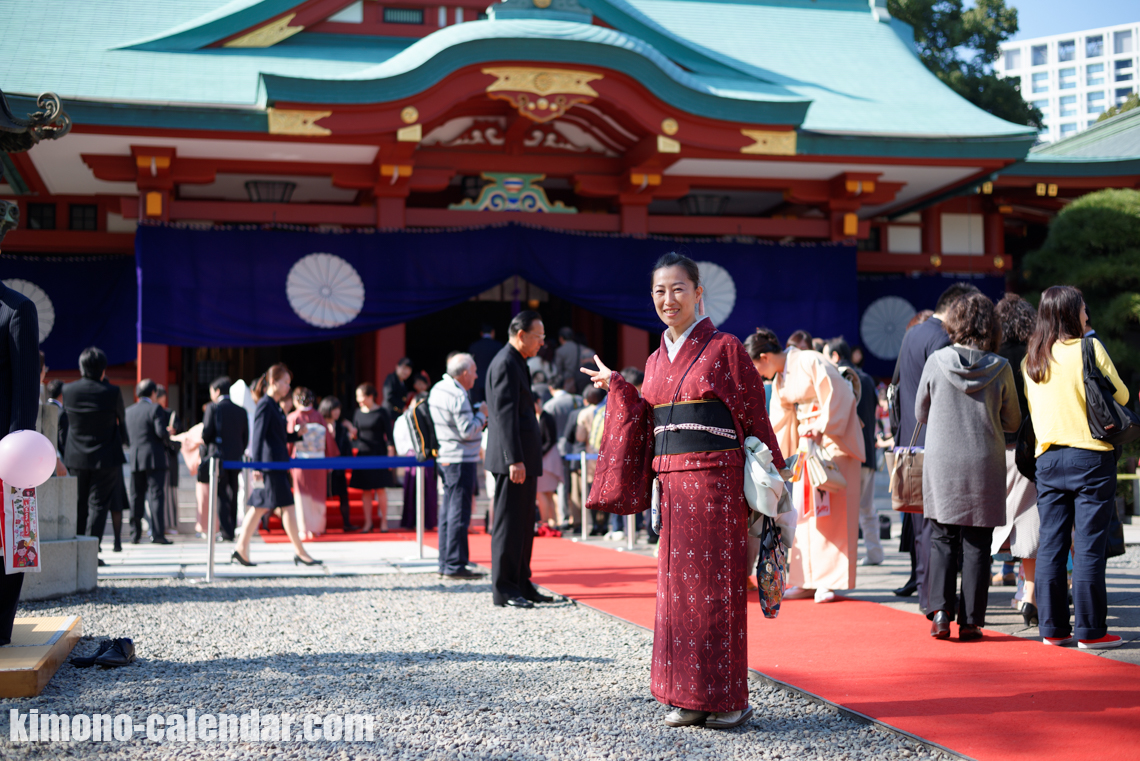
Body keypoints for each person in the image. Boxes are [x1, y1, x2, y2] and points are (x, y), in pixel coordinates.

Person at [583, 253, 784, 730]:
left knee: (718, 593)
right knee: (679, 596)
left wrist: (775, 476)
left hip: (716, 486)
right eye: (659, 291)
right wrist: (618, 386)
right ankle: (688, 696)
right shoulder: (654, 361)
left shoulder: (726, 347)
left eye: (677, 289)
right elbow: (648, 418)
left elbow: (755, 416)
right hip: (672, 490)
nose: (667, 299)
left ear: (698, 292)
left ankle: (729, 698)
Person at [1023, 286, 1130, 650]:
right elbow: (1123, 396)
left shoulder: (1032, 359)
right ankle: (1090, 631)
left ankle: (1052, 629)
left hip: (1048, 460)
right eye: (1083, 309)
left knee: (1051, 546)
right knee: (1087, 547)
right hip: (1091, 457)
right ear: (1071, 313)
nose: (1087, 314)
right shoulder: (1089, 347)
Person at [916, 293, 1020, 641]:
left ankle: (941, 614)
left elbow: (920, 412)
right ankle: (972, 621)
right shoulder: (1000, 367)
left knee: (943, 538)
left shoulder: (937, 360)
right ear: (991, 326)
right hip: (984, 461)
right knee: (978, 542)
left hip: (943, 459)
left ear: (954, 324)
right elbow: (1013, 419)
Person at [750, 329, 865, 604]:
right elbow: (780, 421)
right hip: (806, 444)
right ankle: (806, 580)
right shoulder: (780, 379)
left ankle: (827, 580)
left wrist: (821, 426)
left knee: (830, 514)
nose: (760, 374)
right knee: (804, 515)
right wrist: (776, 457)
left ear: (764, 357)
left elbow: (840, 397)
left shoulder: (811, 360)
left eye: (757, 367)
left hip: (831, 444)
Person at [893, 282, 981, 604]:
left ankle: (925, 589)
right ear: (957, 307)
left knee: (921, 527)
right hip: (936, 439)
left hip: (909, 441)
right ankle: (935, 598)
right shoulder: (943, 339)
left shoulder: (912, 334)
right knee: (938, 527)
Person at [485, 310, 548, 609]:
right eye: (538, 337)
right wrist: (514, 459)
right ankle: (505, 588)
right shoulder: (505, 363)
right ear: (521, 335)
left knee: (524, 523)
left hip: (524, 457)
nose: (542, 344)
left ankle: (522, 581)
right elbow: (503, 416)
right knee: (509, 524)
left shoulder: (517, 361)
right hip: (514, 460)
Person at [232, 364, 320, 567]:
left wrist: (295, 435)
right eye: (286, 382)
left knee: (259, 507)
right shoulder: (266, 404)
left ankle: (241, 549)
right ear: (274, 382)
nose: (289, 387)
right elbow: (258, 436)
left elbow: (276, 437)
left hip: (274, 464)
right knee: (283, 507)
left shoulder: (273, 405)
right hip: (270, 466)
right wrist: (257, 467)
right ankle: (300, 552)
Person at [993, 294, 1041, 626]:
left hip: (998, 447)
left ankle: (977, 594)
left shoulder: (991, 359)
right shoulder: (1037, 356)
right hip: (1031, 446)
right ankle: (1030, 595)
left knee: (994, 517)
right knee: (1030, 519)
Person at [0, 280, 40, 645]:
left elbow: (25, 393)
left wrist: (18, 457)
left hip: (4, 455)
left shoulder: (16, 309)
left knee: (9, 541)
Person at [63, 347, 128, 555]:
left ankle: (76, 550)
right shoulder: (112, 392)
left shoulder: (68, 391)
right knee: (99, 506)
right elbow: (121, 418)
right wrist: (125, 440)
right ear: (103, 370)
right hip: (106, 456)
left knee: (79, 504)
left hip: (76, 456)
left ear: (81, 368)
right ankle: (91, 551)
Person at [429, 352, 488, 579]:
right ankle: (455, 564)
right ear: (464, 374)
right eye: (473, 371)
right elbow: (467, 430)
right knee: (458, 512)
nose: (475, 376)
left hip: (446, 455)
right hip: (460, 458)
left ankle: (446, 562)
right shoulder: (457, 394)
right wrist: (482, 415)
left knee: (448, 511)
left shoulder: (438, 388)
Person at [824, 336, 881, 565]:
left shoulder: (839, 377)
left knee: (847, 509)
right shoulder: (866, 379)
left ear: (835, 356)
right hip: (868, 448)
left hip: (849, 452)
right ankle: (875, 552)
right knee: (867, 508)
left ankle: (846, 556)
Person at [200, 376, 249, 542]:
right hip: (235, 457)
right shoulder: (241, 411)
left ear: (217, 391)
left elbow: (206, 433)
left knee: (221, 494)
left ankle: (226, 531)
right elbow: (245, 437)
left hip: (218, 458)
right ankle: (231, 528)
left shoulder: (213, 408)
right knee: (233, 492)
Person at [125, 379, 173, 545]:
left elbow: (125, 436)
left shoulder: (128, 411)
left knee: (136, 497)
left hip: (136, 458)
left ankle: (135, 534)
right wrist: (168, 435)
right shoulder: (155, 408)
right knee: (156, 497)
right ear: (153, 393)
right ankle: (158, 534)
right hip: (154, 459)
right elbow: (160, 432)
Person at [288, 386, 333, 539]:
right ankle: (317, 528)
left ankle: (303, 528)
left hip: (301, 460)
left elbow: (288, 441)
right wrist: (329, 459)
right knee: (318, 494)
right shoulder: (319, 416)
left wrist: (286, 458)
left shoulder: (293, 417)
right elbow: (328, 441)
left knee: (302, 495)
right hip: (319, 460)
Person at [352, 383, 395, 533]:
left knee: (380, 489)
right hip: (363, 453)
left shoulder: (382, 412)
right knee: (365, 490)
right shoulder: (357, 412)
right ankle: (368, 522)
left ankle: (384, 521)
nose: (359, 400)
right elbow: (355, 434)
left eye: (361, 396)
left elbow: (389, 437)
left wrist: (390, 456)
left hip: (379, 453)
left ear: (370, 396)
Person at [544, 376, 582, 529]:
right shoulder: (577, 400)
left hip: (558, 447)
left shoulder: (550, 406)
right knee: (577, 482)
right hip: (576, 446)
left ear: (551, 388)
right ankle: (579, 516)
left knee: (562, 483)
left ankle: (564, 517)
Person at [319, 396, 359, 533]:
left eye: (338, 409)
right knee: (321, 496)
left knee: (343, 495)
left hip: (338, 467)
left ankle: (347, 523)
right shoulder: (319, 425)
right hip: (323, 468)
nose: (337, 412)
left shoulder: (341, 427)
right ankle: (319, 524)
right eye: (334, 409)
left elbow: (346, 446)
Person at [533, 385, 560, 529]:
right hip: (543, 457)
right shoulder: (537, 417)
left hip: (547, 458)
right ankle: (551, 521)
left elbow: (550, 439)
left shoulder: (546, 417)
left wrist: (539, 453)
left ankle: (546, 521)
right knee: (547, 492)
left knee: (542, 491)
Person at [468, 325, 503, 405]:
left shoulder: (474, 347)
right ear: (493, 332)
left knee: (481, 407)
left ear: (481, 333)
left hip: (478, 383)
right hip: (494, 381)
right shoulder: (498, 345)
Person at [554, 327, 594, 393]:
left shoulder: (560, 351)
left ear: (560, 338)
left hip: (567, 383)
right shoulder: (582, 348)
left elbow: (558, 371)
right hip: (581, 380)